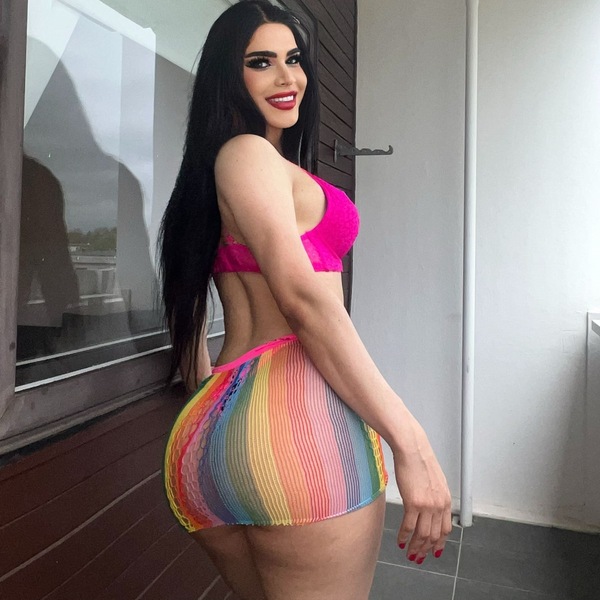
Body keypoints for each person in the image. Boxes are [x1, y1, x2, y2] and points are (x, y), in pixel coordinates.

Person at [159, 2, 452, 599]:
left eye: (293, 59)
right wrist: (411, 442)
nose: (287, 77)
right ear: (228, 76)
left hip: (216, 430)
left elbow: (190, 321)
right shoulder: (247, 154)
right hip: (296, 424)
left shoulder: (222, 171)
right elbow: (303, 299)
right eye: (261, 62)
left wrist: (222, 422)